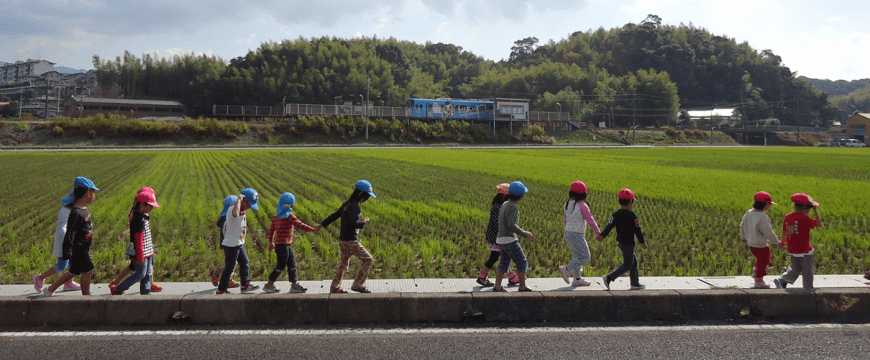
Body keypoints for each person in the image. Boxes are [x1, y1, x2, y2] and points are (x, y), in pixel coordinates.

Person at [43, 177, 99, 296]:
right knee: (89, 270)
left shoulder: (85, 210)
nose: (94, 195)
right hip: (78, 248)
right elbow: (70, 233)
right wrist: (67, 251)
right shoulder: (76, 212)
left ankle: (49, 290)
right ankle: (86, 296)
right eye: (93, 193)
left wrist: (88, 244)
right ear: (88, 194)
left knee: (74, 271)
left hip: (83, 247)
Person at [320, 180, 376, 294]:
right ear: (360, 193)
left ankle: (335, 287)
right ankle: (358, 284)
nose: (366, 200)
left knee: (344, 263)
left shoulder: (347, 204)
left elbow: (335, 215)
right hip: (351, 241)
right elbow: (351, 223)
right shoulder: (355, 207)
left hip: (343, 240)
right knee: (368, 259)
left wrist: (322, 225)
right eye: (366, 197)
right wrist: (363, 223)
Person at [32, 178, 84, 293]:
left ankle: (68, 283)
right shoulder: (65, 212)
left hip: (70, 241)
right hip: (64, 242)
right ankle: (39, 278)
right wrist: (69, 239)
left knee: (73, 262)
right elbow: (62, 228)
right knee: (61, 265)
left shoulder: (73, 211)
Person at [109, 187, 164, 294]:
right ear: (142, 205)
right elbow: (138, 239)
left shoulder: (143, 216)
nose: (152, 208)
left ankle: (145, 293)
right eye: (151, 206)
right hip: (141, 252)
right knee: (140, 274)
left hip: (148, 251)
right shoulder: (138, 219)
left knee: (148, 274)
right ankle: (117, 289)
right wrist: (140, 255)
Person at [263, 192, 321, 293]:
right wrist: (312, 229)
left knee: (292, 264)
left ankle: (294, 285)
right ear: (292, 205)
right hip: (283, 246)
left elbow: (272, 230)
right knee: (281, 266)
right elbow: (299, 224)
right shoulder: (289, 216)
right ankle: (269, 284)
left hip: (283, 245)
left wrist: (271, 242)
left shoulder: (276, 216)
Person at [596, 188, 648, 291]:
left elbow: (609, 226)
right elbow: (638, 230)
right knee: (628, 264)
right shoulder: (632, 215)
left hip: (621, 242)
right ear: (630, 202)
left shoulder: (616, 214)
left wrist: (602, 235)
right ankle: (609, 278)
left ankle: (635, 283)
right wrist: (643, 242)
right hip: (628, 243)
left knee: (634, 262)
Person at [773, 193, 823, 291]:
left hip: (792, 249)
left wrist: (783, 241)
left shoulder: (788, 217)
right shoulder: (804, 218)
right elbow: (819, 224)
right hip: (804, 249)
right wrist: (816, 212)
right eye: (809, 208)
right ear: (805, 207)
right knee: (807, 269)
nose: (809, 211)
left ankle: (783, 280)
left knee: (795, 268)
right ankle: (808, 287)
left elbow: (784, 230)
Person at [216, 188, 261, 294]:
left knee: (245, 262)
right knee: (230, 267)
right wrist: (239, 199)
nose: (249, 207)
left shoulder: (242, 210)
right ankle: (222, 289)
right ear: (243, 201)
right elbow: (235, 214)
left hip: (238, 243)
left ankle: (245, 285)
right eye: (249, 204)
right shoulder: (233, 209)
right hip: (232, 245)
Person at [492, 181, 534, 292]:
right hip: (509, 239)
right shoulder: (513, 207)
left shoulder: (505, 204)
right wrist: (525, 234)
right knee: (521, 261)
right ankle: (522, 286)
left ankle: (497, 287)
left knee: (504, 263)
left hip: (501, 239)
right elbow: (511, 225)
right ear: (520, 197)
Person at [475, 183, 520, 287]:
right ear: (505, 196)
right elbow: (498, 224)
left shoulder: (495, 206)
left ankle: (512, 277)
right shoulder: (501, 208)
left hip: (494, 236)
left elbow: (491, 222)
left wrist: (488, 236)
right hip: (499, 237)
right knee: (495, 257)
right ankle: (482, 276)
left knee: (502, 256)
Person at [559, 180, 601, 286]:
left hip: (568, 233)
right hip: (577, 234)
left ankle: (577, 279)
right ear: (583, 195)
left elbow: (565, 220)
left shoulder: (567, 204)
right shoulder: (582, 206)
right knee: (585, 256)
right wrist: (598, 233)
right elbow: (590, 220)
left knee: (576, 256)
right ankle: (566, 269)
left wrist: (567, 231)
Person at [739, 191, 781, 289]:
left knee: (760, 260)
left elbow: (742, 225)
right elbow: (768, 232)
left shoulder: (749, 212)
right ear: (766, 205)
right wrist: (776, 242)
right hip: (760, 244)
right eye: (769, 205)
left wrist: (743, 237)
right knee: (764, 260)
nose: (770, 207)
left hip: (751, 243)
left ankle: (756, 272)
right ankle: (758, 280)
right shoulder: (763, 217)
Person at [210, 195, 240, 289]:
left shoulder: (224, 218)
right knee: (232, 263)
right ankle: (224, 279)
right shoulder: (227, 219)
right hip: (228, 244)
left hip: (225, 245)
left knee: (231, 263)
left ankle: (223, 277)